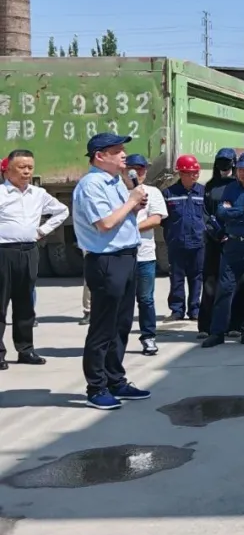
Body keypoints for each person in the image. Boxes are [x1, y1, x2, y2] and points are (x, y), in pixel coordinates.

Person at [72, 132, 152, 410]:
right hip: (106, 260)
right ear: (99, 156)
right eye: (117, 150)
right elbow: (104, 224)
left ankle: (116, 380)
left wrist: (134, 205)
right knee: (103, 326)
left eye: (122, 150)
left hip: (127, 256)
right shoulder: (91, 185)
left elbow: (123, 217)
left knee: (121, 324)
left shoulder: (116, 181)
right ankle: (96, 387)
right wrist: (131, 201)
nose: (123, 155)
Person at [0, 149, 68, 369]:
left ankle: (25, 350)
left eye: (30, 167)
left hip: (29, 251)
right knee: (1, 304)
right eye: (21, 167)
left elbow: (62, 211)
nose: (27, 172)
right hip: (3, 252)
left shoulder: (38, 194)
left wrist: (42, 231)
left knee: (25, 304)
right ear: (8, 170)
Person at [202, 152, 244, 348]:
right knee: (225, 287)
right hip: (233, 244)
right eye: (240, 169)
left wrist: (234, 211)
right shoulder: (231, 188)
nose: (243, 173)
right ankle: (217, 332)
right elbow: (221, 213)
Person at [197, 150, 244, 338]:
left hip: (235, 240)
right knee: (210, 282)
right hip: (213, 241)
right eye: (220, 162)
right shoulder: (210, 186)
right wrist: (216, 233)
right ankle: (206, 326)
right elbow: (205, 213)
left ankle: (236, 324)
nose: (224, 166)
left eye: (227, 162)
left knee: (238, 283)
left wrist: (231, 233)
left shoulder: (239, 186)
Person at [127, 154, 168, 357]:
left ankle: (148, 337)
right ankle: (116, 339)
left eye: (141, 169)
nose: (138, 173)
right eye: (133, 169)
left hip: (144, 256)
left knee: (145, 299)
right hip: (120, 256)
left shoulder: (153, 192)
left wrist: (128, 229)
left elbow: (155, 220)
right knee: (120, 301)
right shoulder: (116, 192)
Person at [161, 154, 205, 322]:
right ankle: (177, 310)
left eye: (196, 172)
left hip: (198, 242)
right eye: (191, 173)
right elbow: (163, 219)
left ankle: (195, 310)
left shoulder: (203, 192)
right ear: (181, 173)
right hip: (177, 243)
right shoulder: (169, 193)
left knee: (197, 277)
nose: (195, 175)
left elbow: (208, 216)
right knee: (176, 277)